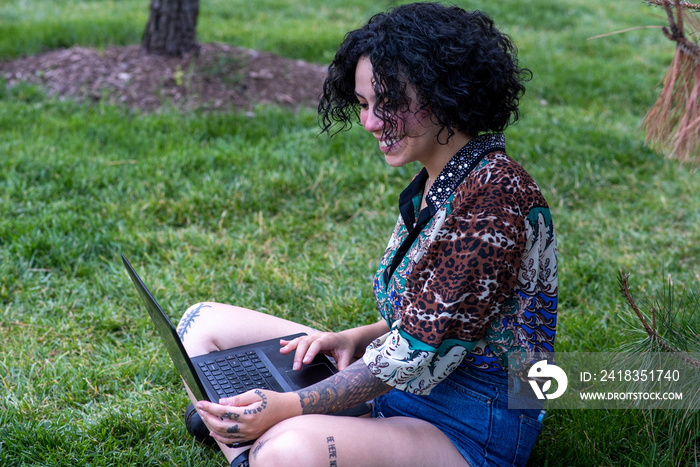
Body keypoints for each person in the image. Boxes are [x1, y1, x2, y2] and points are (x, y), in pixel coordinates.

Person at [178, 2, 558, 466]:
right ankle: (260, 438)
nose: (371, 123)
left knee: (288, 450)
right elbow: (438, 318)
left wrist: (287, 406)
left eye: (389, 103)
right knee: (201, 326)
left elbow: (422, 347)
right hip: (393, 384)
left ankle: (260, 445)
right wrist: (352, 338)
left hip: (467, 422)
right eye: (363, 104)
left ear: (446, 92)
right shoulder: (437, 180)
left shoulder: (494, 195)